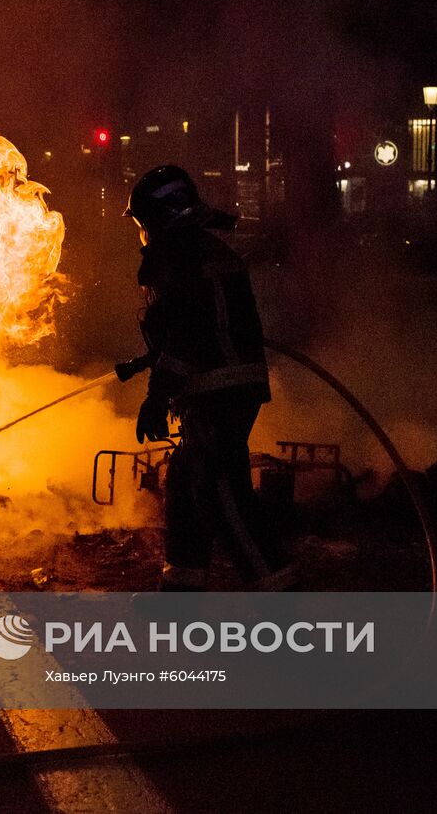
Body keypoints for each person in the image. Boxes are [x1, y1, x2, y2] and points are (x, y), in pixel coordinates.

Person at [116, 165, 296, 591]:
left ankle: (281, 597)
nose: (142, 233)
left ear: (160, 218)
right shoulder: (198, 250)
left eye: (143, 222)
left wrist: (157, 396)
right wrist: (156, 365)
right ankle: (181, 593)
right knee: (185, 486)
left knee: (222, 496)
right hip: (219, 387)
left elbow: (187, 335)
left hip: (220, 391)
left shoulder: (181, 258)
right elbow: (199, 328)